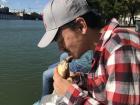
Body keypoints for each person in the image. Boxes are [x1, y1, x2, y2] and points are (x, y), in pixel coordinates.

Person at [37, 0, 140, 104]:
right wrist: (79, 79)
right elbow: (104, 84)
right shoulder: (102, 47)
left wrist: (68, 92)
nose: (60, 48)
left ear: (81, 26)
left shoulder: (120, 48)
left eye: (60, 40)